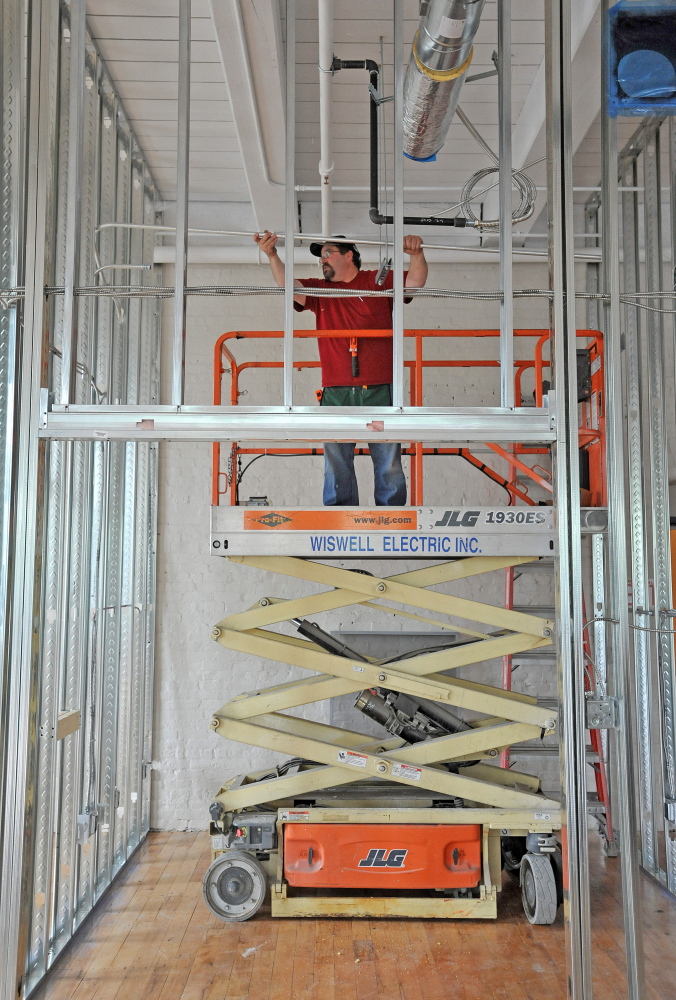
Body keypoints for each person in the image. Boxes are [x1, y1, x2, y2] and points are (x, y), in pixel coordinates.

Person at [253, 230, 428, 506]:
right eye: (320, 256)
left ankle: (391, 516)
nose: (322, 261)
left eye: (327, 253)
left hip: (379, 390)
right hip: (336, 391)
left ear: (349, 255)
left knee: (388, 459)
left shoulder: (377, 281)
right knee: (336, 461)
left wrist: (416, 254)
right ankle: (340, 516)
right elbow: (288, 285)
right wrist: (272, 255)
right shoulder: (320, 291)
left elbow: (415, 283)